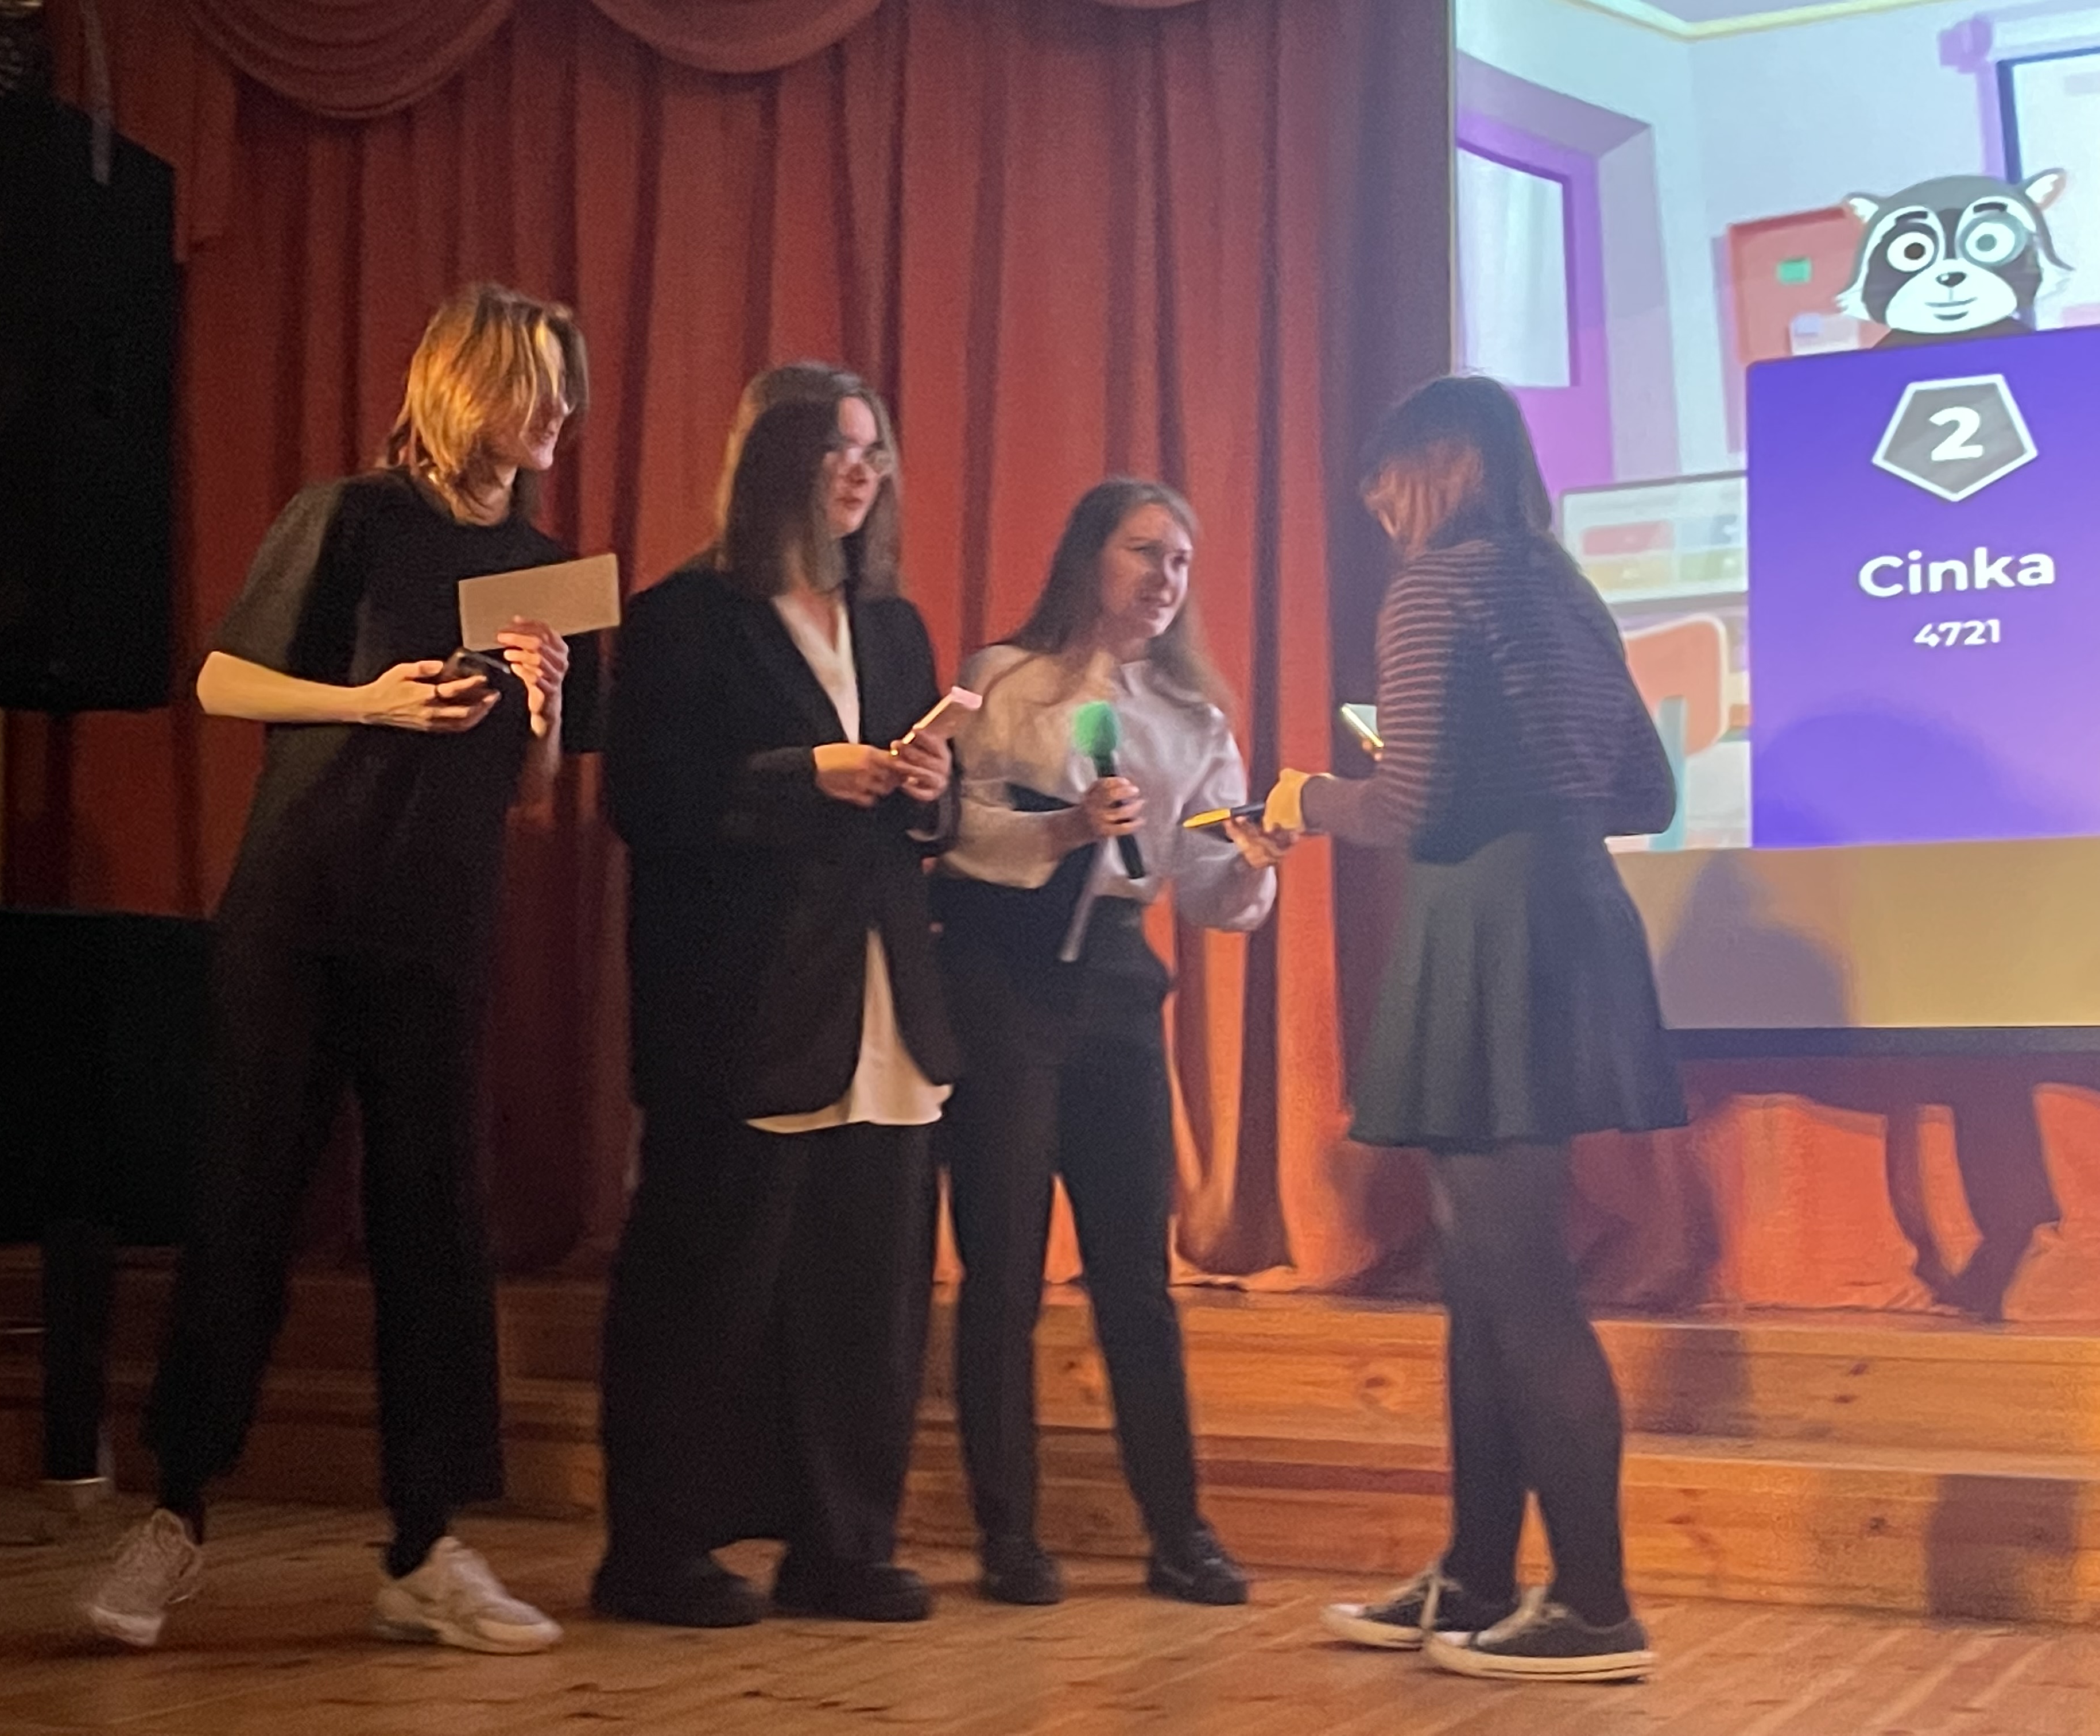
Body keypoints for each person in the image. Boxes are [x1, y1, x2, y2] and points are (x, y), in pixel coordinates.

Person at [82, 283, 587, 1655]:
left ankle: (424, 1549)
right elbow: (222, 682)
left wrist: (544, 711)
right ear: (464, 385)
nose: (559, 409)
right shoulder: (351, 517)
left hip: (437, 930)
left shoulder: (543, 563)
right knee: (246, 1201)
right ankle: (174, 1515)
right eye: (534, 382)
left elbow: (531, 788)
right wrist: (370, 700)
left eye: (566, 386)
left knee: (436, 1227)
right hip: (300, 912)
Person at [1282, 375, 1682, 1683]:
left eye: (1387, 487)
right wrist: (1528, 783)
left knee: (1519, 1282)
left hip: (1487, 931)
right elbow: (1648, 790)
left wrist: (1304, 798)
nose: (1381, 513)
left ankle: (1597, 1606)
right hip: (1570, 917)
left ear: (1435, 469)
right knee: (1485, 1279)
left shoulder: (1436, 589)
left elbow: (1412, 809)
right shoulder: (1565, 588)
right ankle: (1477, 1576)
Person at [594, 371, 958, 1628]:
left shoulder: (894, 625)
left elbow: (930, 815)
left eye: (875, 452)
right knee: (710, 1279)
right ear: (777, 461)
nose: (863, 471)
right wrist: (806, 774)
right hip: (741, 1004)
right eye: (839, 448)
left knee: (870, 1283)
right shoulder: (683, 618)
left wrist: (928, 788)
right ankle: (657, 1549)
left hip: (881, 996)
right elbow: (647, 800)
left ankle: (844, 1543)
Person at [934, 478, 1284, 1609]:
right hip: (1004, 981)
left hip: (1120, 992)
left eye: (1180, 561)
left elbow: (1207, 884)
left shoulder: (1193, 716)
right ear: (1089, 555)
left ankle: (1179, 1534)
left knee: (1136, 1275)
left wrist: (1250, 863)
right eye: (1144, 552)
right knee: (1003, 1271)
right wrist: (1065, 829)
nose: (1165, 578)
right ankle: (1008, 1534)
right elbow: (953, 830)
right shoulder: (1001, 679)